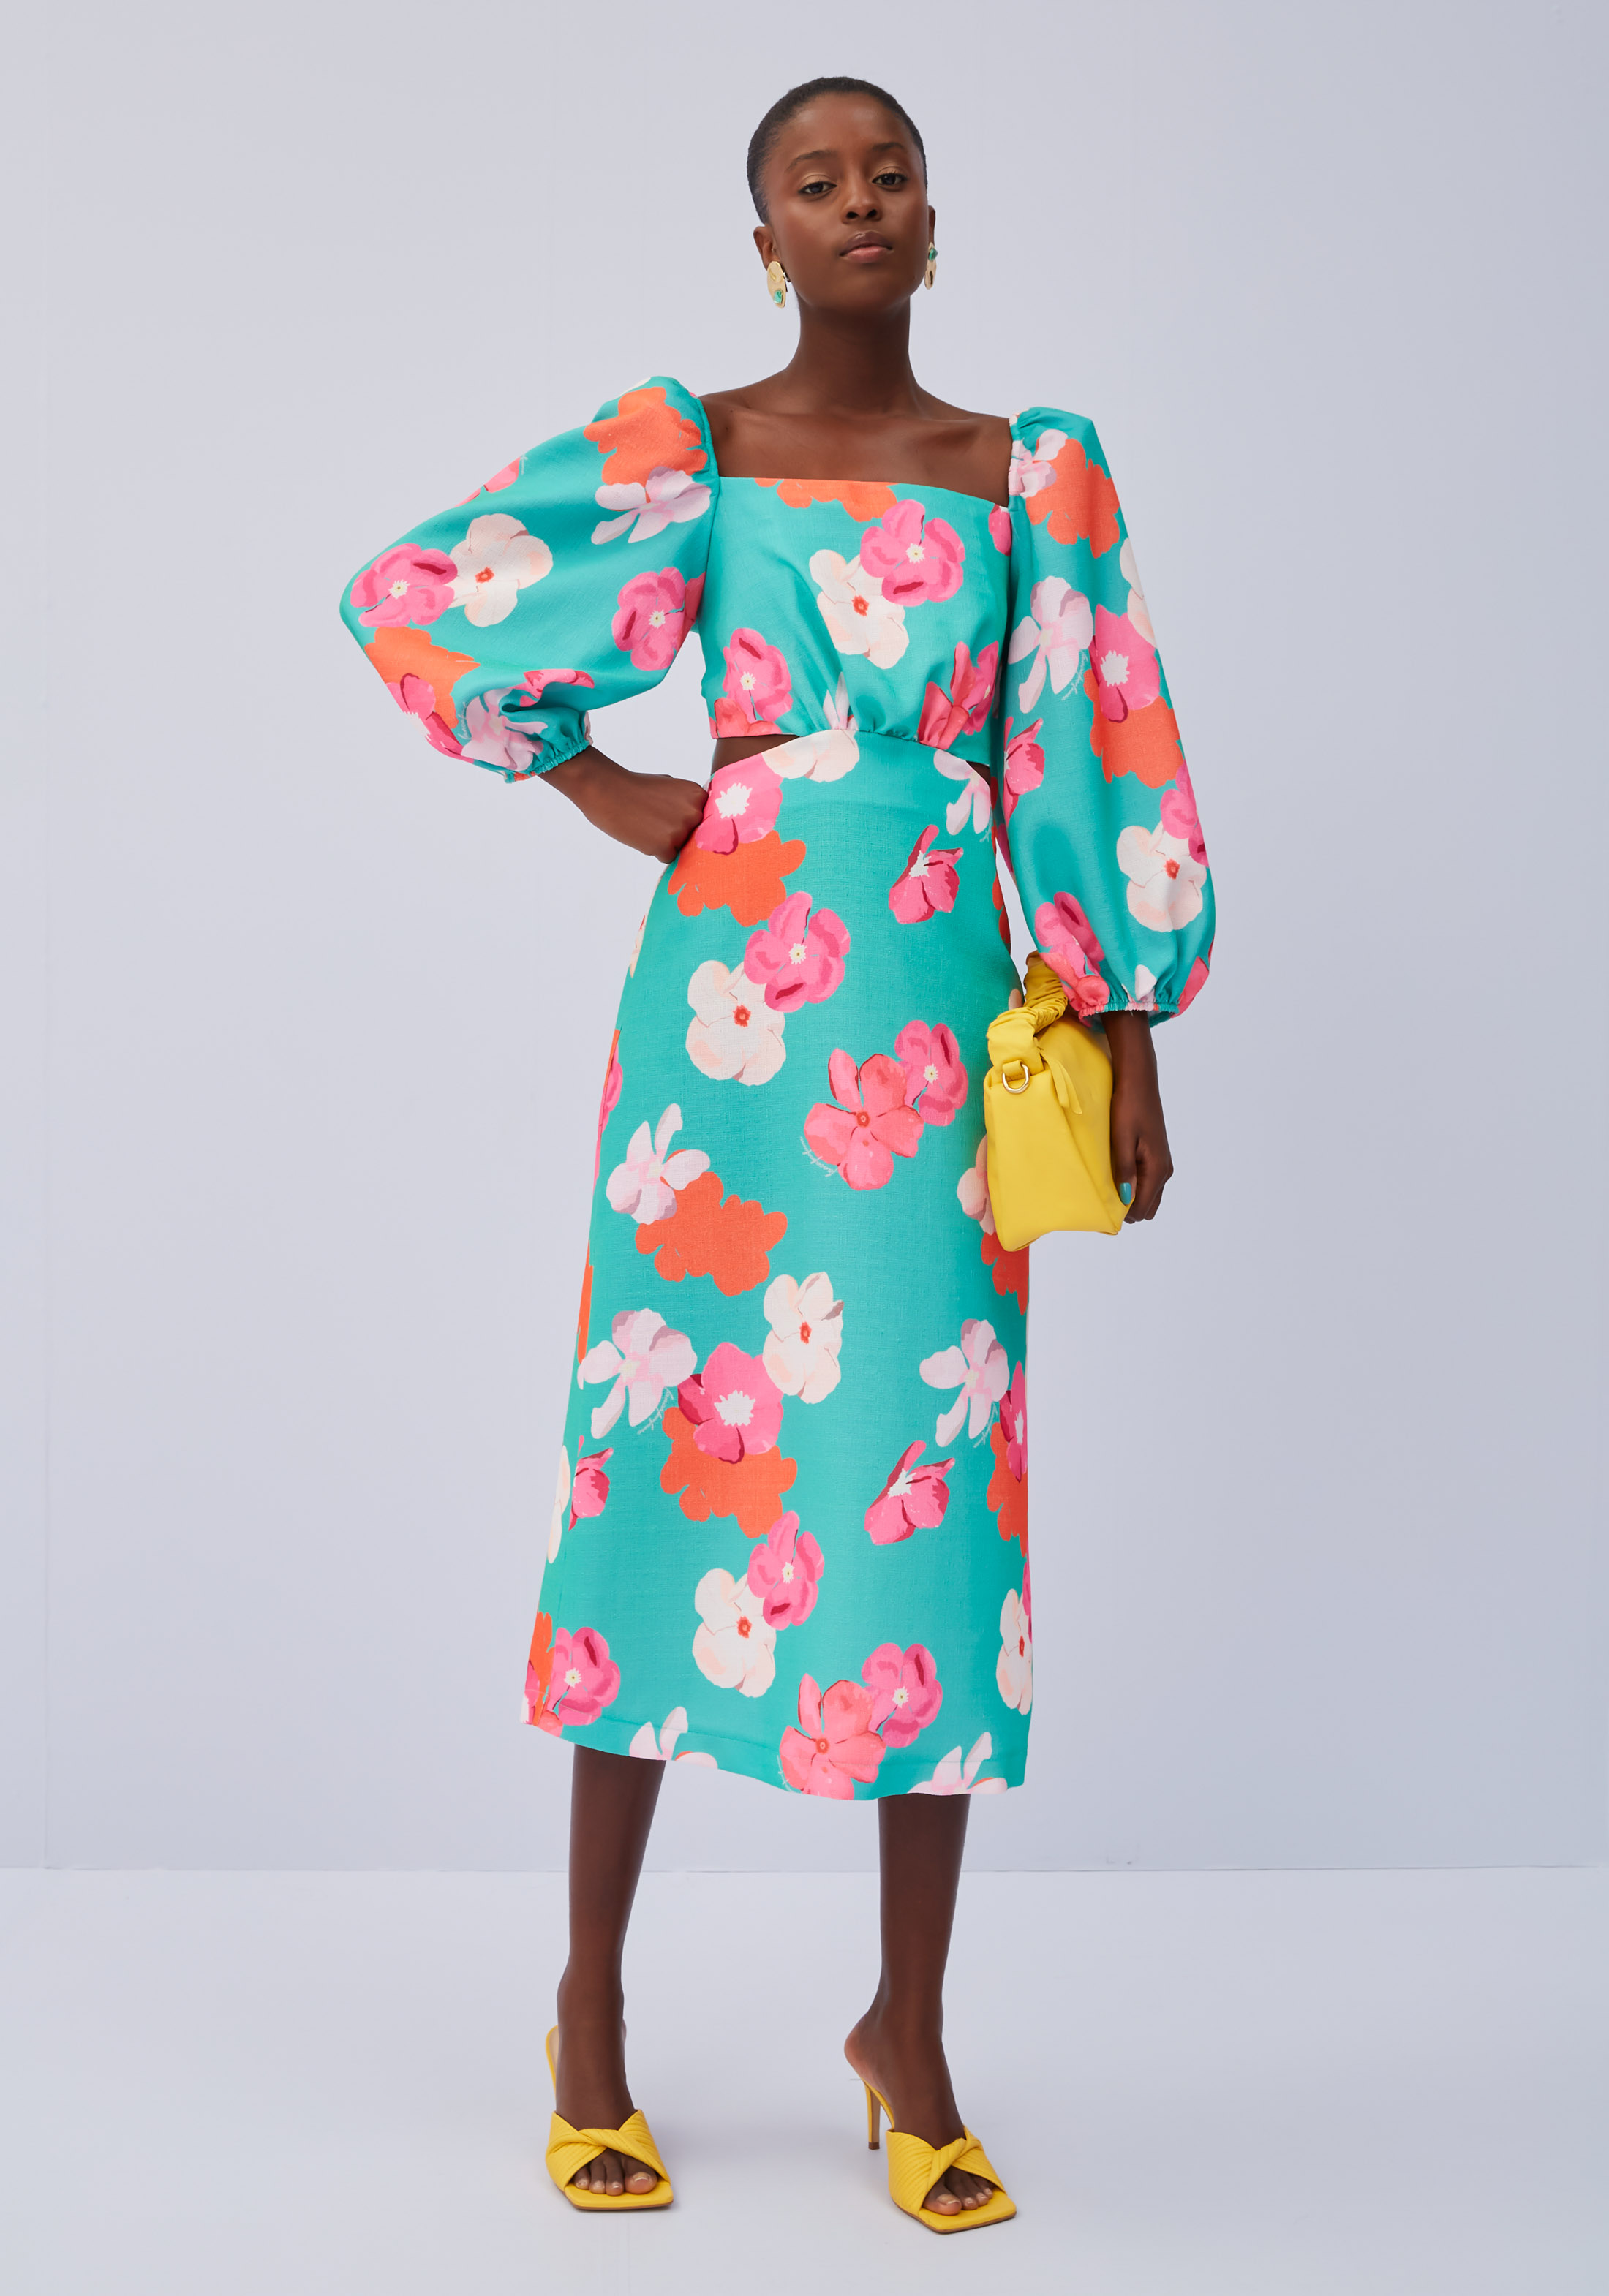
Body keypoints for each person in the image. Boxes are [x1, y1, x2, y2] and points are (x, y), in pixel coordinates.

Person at [339, 73, 1213, 2234]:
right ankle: (591, 2010)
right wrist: (595, 779)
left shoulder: (1026, 472)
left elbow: (1090, 755)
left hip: (938, 1013)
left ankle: (909, 2034)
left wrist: (1123, 1031)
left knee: (934, 1505)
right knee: (667, 1469)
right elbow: (425, 594)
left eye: (888, 173)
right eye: (814, 183)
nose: (858, 203)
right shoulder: (696, 450)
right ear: (764, 242)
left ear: (934, 216)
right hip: (727, 1023)